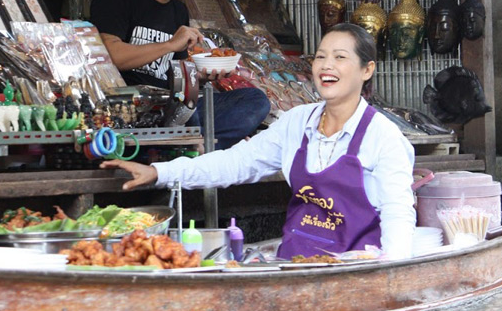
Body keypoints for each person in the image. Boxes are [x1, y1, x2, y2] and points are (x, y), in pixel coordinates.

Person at [101, 24, 416, 260]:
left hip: (354, 273)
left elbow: (398, 220)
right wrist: (160, 173)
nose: (326, 65)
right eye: (321, 56)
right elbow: (235, 163)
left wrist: (388, 281)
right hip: (294, 266)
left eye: (340, 57)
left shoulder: (383, 138)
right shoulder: (297, 122)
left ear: (367, 69)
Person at [89, 0, 270, 148]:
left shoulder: (178, 10)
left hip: (174, 108)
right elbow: (110, 56)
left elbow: (180, 73)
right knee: (187, 112)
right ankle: (198, 146)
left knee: (255, 101)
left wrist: (205, 73)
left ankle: (198, 145)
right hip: (132, 109)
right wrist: (170, 44)